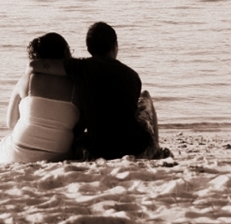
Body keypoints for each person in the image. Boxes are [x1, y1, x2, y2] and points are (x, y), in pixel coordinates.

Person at [31, 22, 167, 160]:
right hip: (132, 146)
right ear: (115, 45)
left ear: (89, 49)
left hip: (98, 149)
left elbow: (36, 65)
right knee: (145, 96)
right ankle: (155, 147)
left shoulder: (80, 68)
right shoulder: (132, 75)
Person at [0, 33, 82, 164]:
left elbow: (11, 123)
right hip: (58, 155)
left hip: (18, 154)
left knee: (2, 147)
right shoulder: (77, 85)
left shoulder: (26, 81)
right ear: (65, 52)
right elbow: (79, 128)